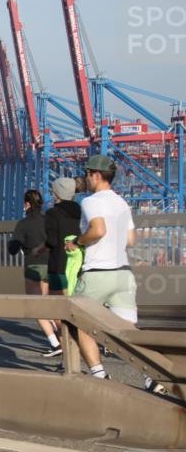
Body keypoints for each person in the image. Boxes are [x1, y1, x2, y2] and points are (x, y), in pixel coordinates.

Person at [68, 155, 167, 395]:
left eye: (88, 173)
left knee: (77, 322)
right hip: (123, 274)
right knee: (128, 331)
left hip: (97, 273)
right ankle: (151, 378)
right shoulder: (122, 203)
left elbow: (98, 230)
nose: (86, 178)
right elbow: (131, 239)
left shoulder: (92, 201)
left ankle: (100, 376)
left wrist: (78, 242)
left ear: (97, 176)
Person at [8, 189, 61, 357]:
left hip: (34, 266)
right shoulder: (48, 221)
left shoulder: (23, 223)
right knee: (51, 306)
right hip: (52, 265)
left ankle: (54, 343)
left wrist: (14, 243)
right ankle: (65, 340)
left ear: (27, 204)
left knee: (36, 306)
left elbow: (13, 249)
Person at [43, 177, 82, 298]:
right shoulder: (81, 211)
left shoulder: (52, 213)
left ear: (56, 194)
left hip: (58, 266)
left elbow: (52, 241)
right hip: (77, 266)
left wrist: (42, 247)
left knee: (58, 309)